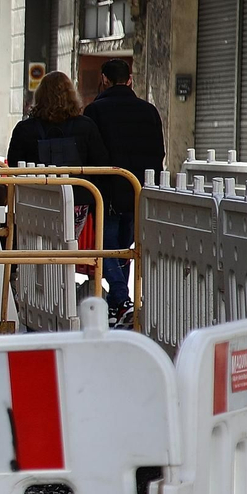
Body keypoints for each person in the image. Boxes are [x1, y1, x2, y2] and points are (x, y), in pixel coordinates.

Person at [83, 58, 165, 327]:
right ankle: (120, 306)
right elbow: (159, 153)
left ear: (104, 79)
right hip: (138, 191)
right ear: (130, 80)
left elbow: (91, 153)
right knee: (124, 249)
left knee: (107, 249)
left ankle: (122, 301)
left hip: (107, 192)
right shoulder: (149, 111)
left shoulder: (95, 111)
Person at [0, 70, 111, 215]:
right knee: (69, 236)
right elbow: (100, 161)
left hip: (35, 199)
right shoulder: (86, 126)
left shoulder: (25, 128)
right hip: (76, 199)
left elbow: (15, 164)